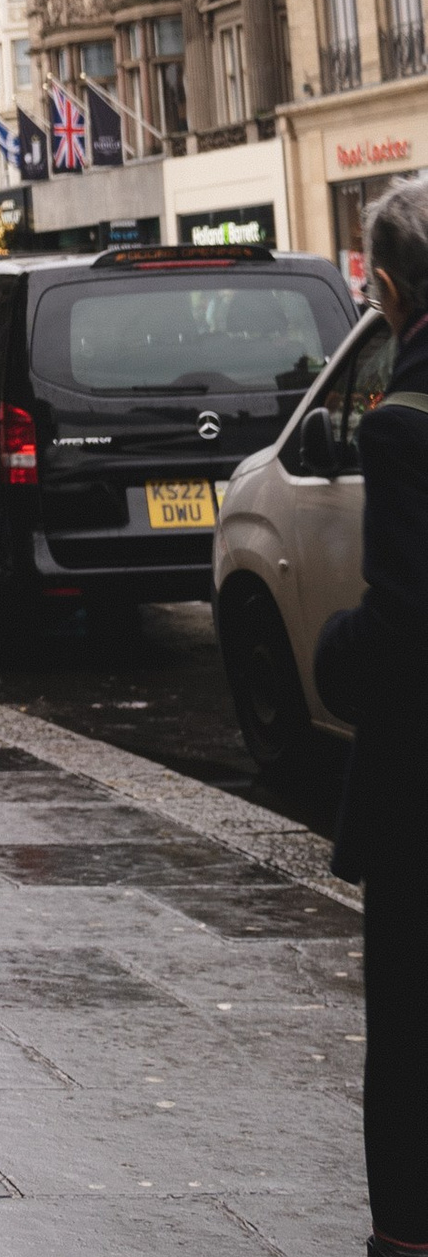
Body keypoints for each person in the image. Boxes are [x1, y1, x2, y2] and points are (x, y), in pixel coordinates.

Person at [315, 181, 428, 1257]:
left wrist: (332, 656)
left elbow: (406, 619)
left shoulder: (402, 422)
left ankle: (402, 1230)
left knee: (407, 1023)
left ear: (386, 290)